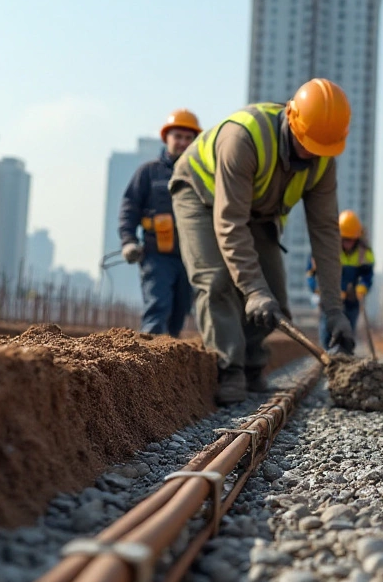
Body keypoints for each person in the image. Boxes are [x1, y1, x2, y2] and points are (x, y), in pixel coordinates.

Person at [169, 78, 356, 404]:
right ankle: (229, 369)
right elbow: (229, 222)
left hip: (256, 210)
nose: (311, 154)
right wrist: (253, 289)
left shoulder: (323, 158)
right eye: (306, 144)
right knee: (216, 281)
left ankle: (252, 362)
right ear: (291, 119)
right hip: (201, 193)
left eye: (319, 149)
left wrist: (333, 309)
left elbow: (325, 233)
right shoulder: (242, 139)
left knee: (276, 303)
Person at [118, 109, 201, 336]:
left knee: (179, 313)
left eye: (188, 138)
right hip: (156, 256)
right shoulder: (148, 173)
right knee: (158, 307)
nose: (183, 142)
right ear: (167, 138)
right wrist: (128, 242)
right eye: (178, 137)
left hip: (190, 259)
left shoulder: (202, 175)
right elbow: (129, 208)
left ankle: (166, 361)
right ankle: (148, 358)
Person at [307, 209, 373, 354]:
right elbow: (311, 273)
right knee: (327, 330)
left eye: (351, 240)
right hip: (329, 299)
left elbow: (367, 275)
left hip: (351, 300)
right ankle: (328, 356)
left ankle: (346, 355)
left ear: (357, 237)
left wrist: (362, 288)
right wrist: (317, 289)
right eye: (344, 239)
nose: (347, 243)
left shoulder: (364, 252)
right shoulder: (325, 249)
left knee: (348, 331)